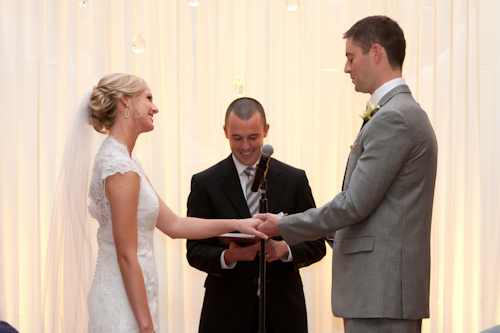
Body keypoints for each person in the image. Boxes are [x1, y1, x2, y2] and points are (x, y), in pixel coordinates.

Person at [43, 73, 267, 333]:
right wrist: (146, 326)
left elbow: (173, 225)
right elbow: (126, 255)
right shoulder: (121, 168)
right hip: (124, 301)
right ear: (126, 103)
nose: (155, 107)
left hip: (132, 295)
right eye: (148, 98)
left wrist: (237, 223)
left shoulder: (127, 162)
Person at [256, 16, 438, 333]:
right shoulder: (398, 112)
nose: (346, 68)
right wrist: (323, 230)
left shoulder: (394, 117)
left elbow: (354, 205)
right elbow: (378, 210)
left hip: (381, 293)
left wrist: (284, 225)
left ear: (376, 53)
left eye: (351, 57)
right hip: (379, 293)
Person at [186, 97, 326, 333]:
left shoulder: (294, 180)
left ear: (266, 130)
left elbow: (317, 244)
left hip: (284, 314)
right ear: (225, 132)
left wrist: (285, 251)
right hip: (225, 315)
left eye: (253, 137)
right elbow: (195, 250)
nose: (245, 146)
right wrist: (229, 256)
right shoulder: (205, 183)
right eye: (236, 138)